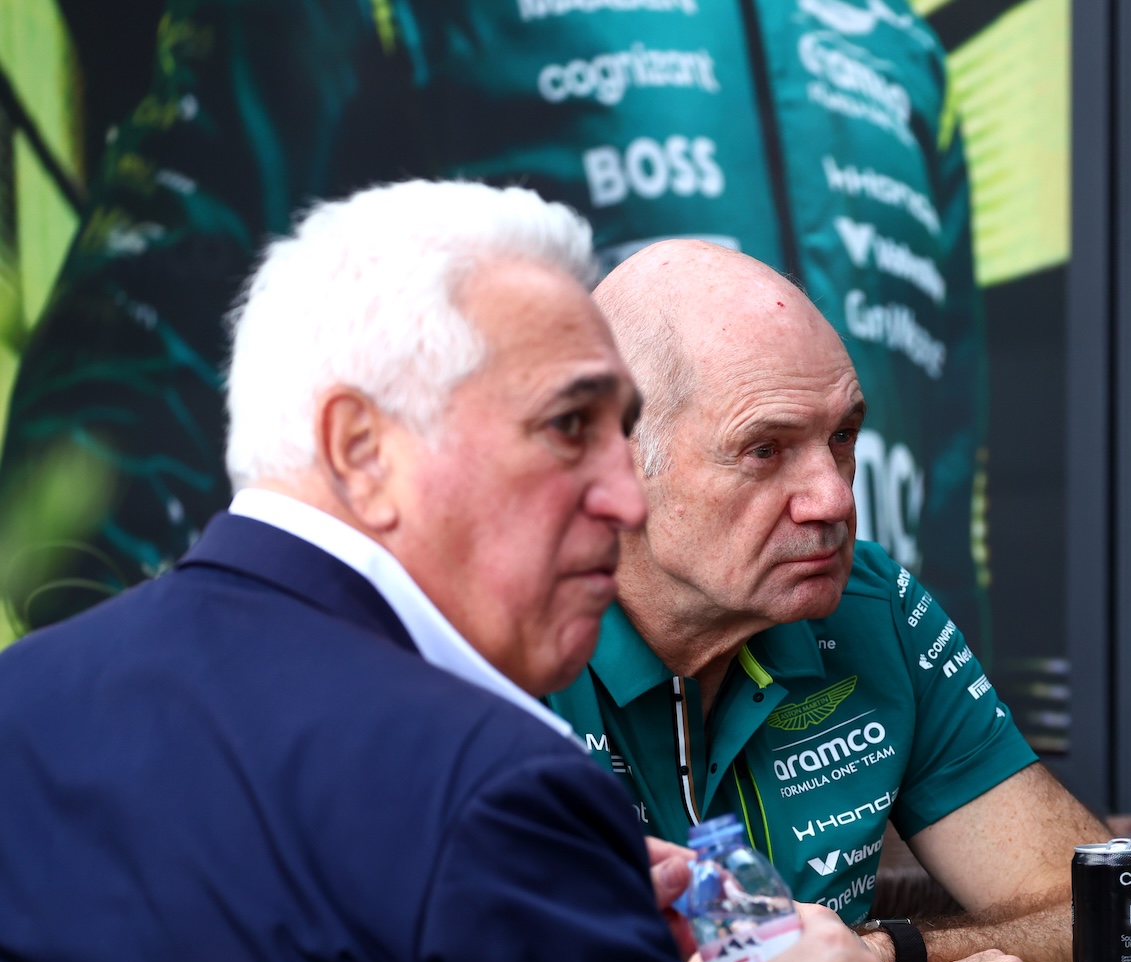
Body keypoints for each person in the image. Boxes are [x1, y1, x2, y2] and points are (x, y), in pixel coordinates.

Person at [0, 181, 907, 962]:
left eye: (621, 434)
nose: (625, 496)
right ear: (361, 447)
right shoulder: (494, 792)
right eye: (571, 426)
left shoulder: (24, 708)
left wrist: (614, 961)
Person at [4, 0, 988, 646]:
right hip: (510, 745)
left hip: (826, 737)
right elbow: (109, 417)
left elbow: (947, 472)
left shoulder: (894, 49)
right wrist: (234, 755)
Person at [554, 240, 1131, 962]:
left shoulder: (869, 609)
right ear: (619, 462)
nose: (833, 497)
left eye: (843, 436)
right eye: (765, 449)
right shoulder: (502, 641)